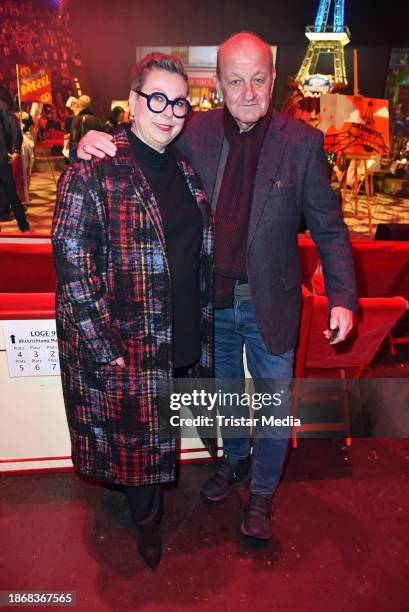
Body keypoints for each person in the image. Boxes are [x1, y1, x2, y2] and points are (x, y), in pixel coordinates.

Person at [77, 32, 358, 542]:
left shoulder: (303, 143)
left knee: (273, 404)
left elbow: (330, 226)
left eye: (258, 79)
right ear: (220, 87)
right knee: (225, 395)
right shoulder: (194, 130)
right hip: (211, 303)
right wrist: (98, 140)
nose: (248, 92)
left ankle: (263, 496)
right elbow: (147, 140)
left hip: (270, 299)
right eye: (236, 81)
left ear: (273, 80)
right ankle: (233, 462)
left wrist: (342, 296)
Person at [52, 53, 214, 569]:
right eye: (158, 99)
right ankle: (147, 527)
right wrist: (104, 344)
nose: (169, 112)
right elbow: (72, 260)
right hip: (130, 341)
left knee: (160, 429)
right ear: (135, 100)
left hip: (182, 331)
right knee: (141, 443)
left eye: (179, 102)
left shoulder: (186, 169)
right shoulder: (96, 166)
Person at [0, 86, 30, 231]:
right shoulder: (3, 107)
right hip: (1, 154)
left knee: (9, 188)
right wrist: (9, 148)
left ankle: (21, 221)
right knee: (10, 188)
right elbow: (8, 129)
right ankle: (22, 223)